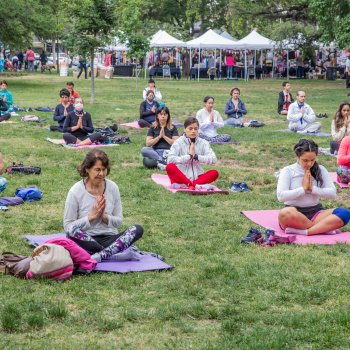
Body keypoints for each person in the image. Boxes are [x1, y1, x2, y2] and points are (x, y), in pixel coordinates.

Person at [64, 150, 144, 262]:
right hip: (86, 239)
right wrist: (91, 217)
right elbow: (67, 226)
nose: (101, 174)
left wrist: (103, 216)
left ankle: (100, 256)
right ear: (87, 169)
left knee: (137, 229)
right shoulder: (75, 191)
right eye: (97, 170)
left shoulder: (112, 188)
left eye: (104, 170)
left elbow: (119, 221)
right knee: (71, 231)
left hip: (109, 238)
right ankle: (111, 253)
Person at [277, 139, 350, 236]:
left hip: (316, 213)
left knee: (344, 213)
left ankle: (307, 232)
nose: (309, 164)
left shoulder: (321, 169)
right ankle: (322, 228)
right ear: (298, 156)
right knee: (285, 213)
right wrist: (303, 189)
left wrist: (312, 189)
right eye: (305, 160)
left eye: (312, 160)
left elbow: (332, 193)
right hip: (294, 214)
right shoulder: (288, 170)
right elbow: (281, 196)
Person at [166, 117, 219, 190]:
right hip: (181, 178)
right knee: (170, 167)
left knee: (214, 173)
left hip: (197, 177)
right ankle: (189, 184)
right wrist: (189, 156)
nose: (193, 131)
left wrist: (196, 157)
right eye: (190, 128)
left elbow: (214, 159)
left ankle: (192, 184)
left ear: (198, 130)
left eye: (195, 128)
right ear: (184, 129)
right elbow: (170, 160)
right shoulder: (178, 142)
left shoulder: (203, 143)